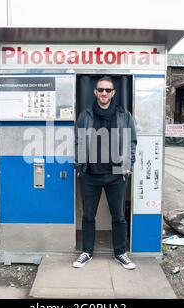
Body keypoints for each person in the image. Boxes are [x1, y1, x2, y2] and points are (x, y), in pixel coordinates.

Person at [74, 76, 137, 270]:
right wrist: (79, 166)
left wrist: (128, 165)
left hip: (116, 174)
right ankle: (87, 252)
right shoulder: (86, 115)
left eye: (107, 90)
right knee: (88, 216)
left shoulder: (123, 115)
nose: (103, 93)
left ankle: (120, 253)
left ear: (113, 93)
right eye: (100, 90)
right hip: (90, 174)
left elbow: (132, 141)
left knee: (118, 216)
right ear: (95, 92)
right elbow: (77, 141)